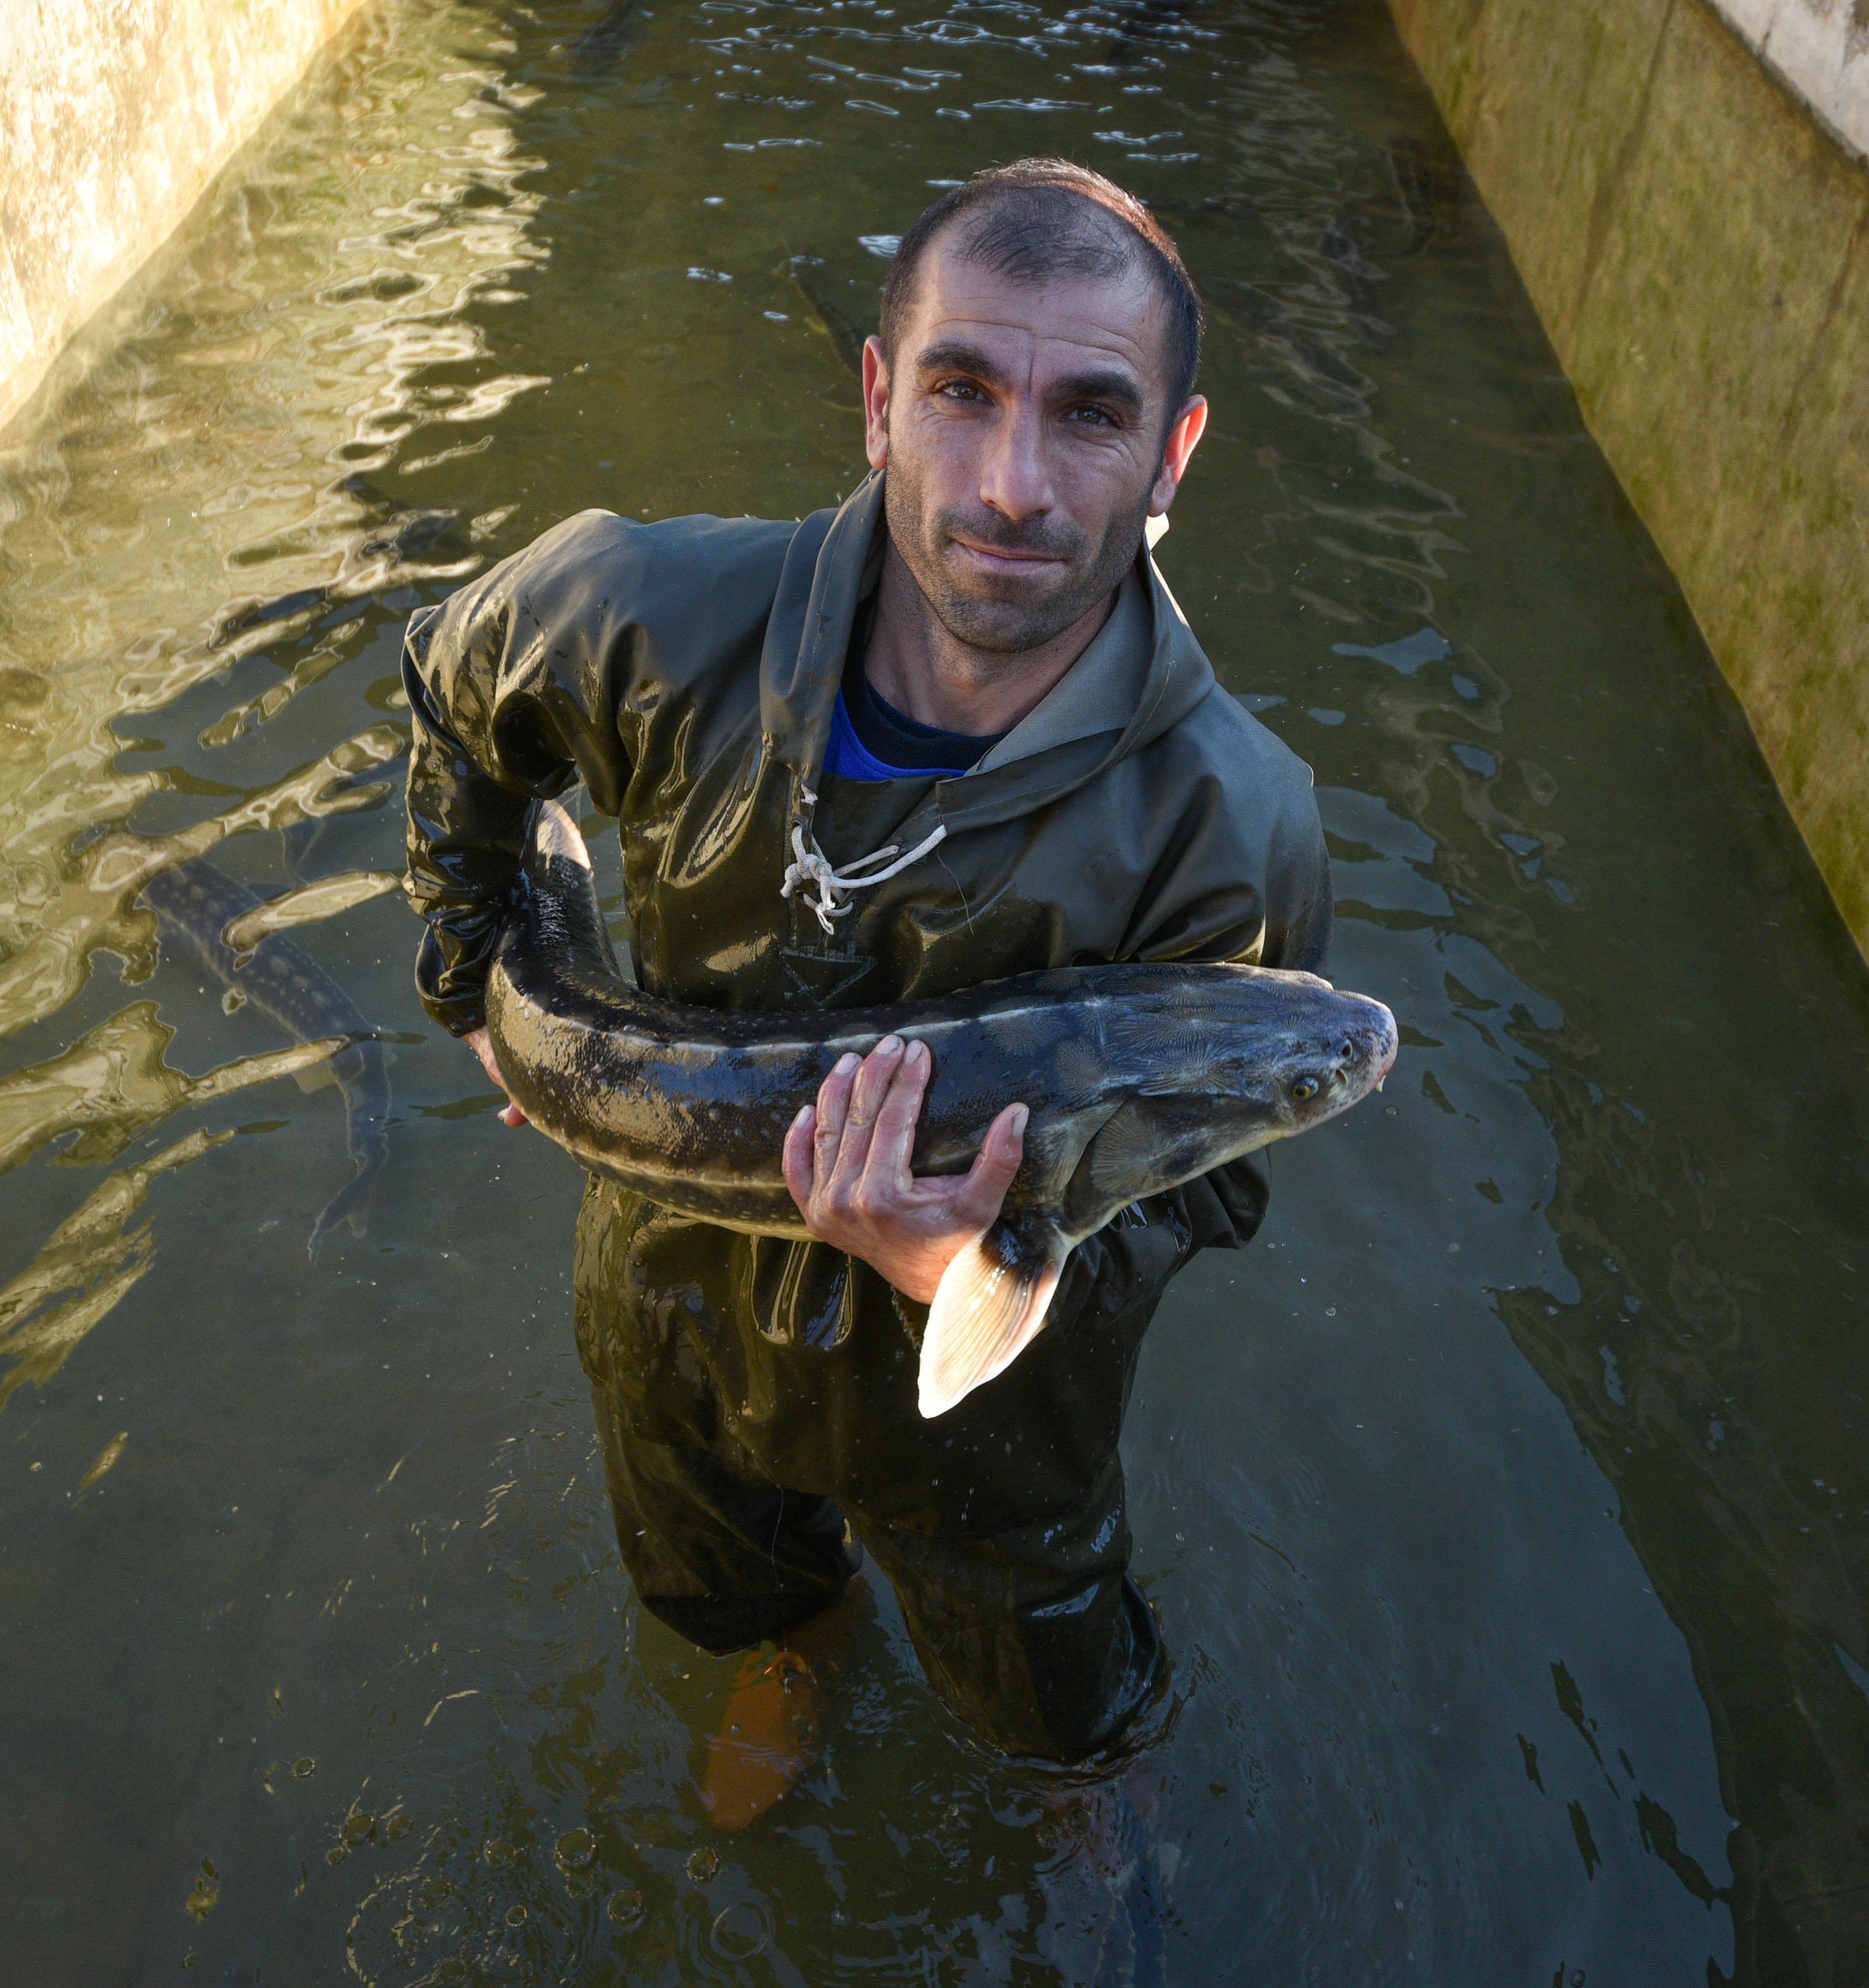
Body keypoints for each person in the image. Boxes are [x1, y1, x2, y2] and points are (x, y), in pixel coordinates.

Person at [399, 158, 1331, 1821]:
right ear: (876, 398)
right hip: (671, 1276)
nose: (1013, 482)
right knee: (716, 1559)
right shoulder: (643, 610)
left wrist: (970, 1257)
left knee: (1054, 1695)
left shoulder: (1234, 816)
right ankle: (793, 1646)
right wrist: (471, 972)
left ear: (1172, 451)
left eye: (1092, 415)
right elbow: (457, 692)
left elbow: (1220, 1180)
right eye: (962, 393)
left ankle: (1071, 1804)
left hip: (996, 1413)